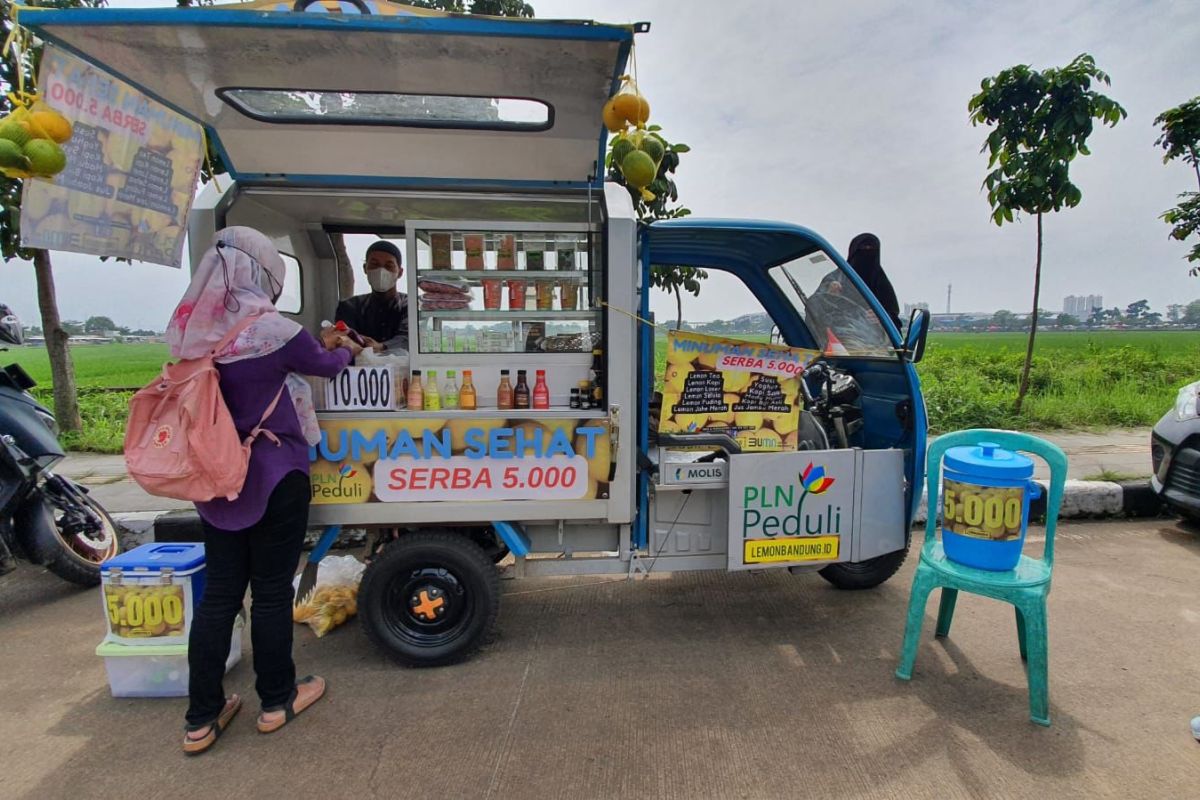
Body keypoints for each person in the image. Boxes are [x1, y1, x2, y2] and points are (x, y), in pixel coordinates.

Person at [166, 226, 362, 756]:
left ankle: (201, 719)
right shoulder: (271, 329)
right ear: (262, 274)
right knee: (272, 592)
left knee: (220, 598)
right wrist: (347, 351)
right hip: (275, 474)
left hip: (214, 477)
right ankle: (276, 702)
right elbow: (325, 363)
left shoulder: (190, 333)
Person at [334, 239, 409, 352]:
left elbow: (409, 338)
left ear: (400, 272)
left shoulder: (411, 305)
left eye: (389, 266)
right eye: (375, 264)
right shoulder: (349, 307)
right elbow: (342, 339)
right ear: (365, 268)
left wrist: (382, 347)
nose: (381, 271)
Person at [845, 232, 902, 331]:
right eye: (862, 249)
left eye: (871, 250)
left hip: (874, 343)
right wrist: (830, 289)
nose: (866, 254)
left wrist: (882, 317)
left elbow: (894, 322)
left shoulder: (882, 285)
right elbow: (816, 309)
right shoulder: (836, 280)